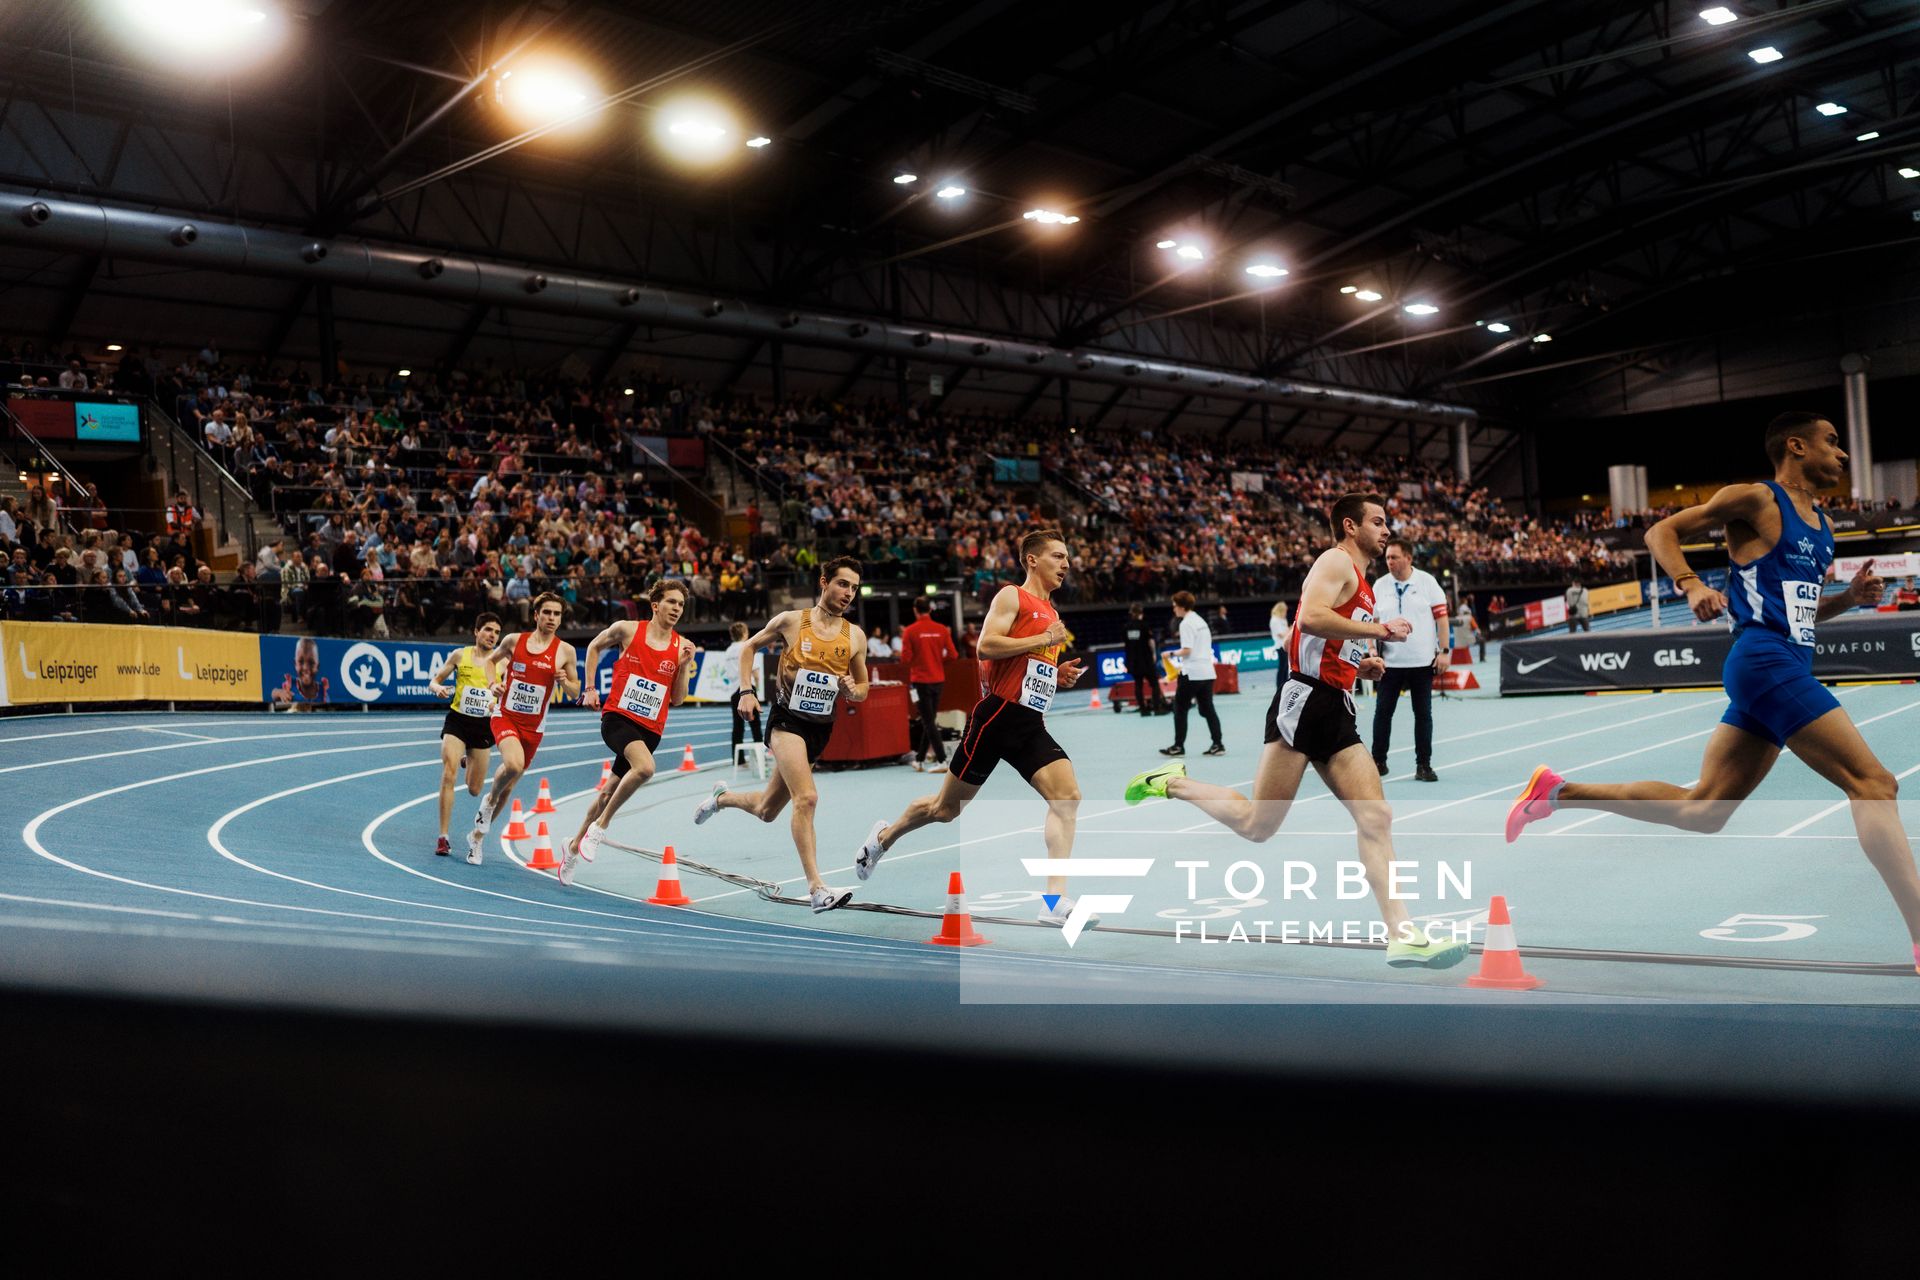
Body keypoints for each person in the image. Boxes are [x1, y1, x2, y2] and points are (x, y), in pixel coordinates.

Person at [1506, 412, 1920, 973]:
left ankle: (1554, 792)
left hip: (1781, 663)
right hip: (1764, 662)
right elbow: (1660, 532)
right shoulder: (1756, 499)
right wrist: (1691, 582)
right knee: (1874, 784)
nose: (1844, 455)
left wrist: (1847, 600)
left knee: (1704, 809)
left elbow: (1797, 611)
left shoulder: (1822, 528)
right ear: (1796, 447)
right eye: (1833, 442)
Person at [1123, 494, 1470, 970]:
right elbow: (1309, 619)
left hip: (1336, 703)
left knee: (1376, 817)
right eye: (1378, 522)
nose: (1387, 530)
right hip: (1305, 701)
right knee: (1256, 826)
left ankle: (1403, 934)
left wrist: (1359, 664)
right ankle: (1173, 783)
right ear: (1351, 526)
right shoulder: (1335, 561)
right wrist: (1380, 632)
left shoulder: (1364, 583)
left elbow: (1328, 639)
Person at [855, 529, 1095, 928]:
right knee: (944, 810)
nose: (1066, 564)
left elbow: (1026, 665)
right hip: (995, 718)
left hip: (1029, 724)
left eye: (1067, 557)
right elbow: (986, 646)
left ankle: (1054, 901)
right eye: (1057, 556)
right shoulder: (1011, 596)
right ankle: (882, 839)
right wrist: (1043, 639)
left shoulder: (1052, 613)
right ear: (1032, 560)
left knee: (1067, 797)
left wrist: (1056, 670)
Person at [693, 558, 870, 913]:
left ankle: (721, 798)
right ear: (824, 583)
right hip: (787, 721)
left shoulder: (855, 636)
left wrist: (853, 689)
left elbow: (863, 687)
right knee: (807, 798)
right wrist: (746, 691)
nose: (848, 593)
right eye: (842, 584)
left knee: (766, 810)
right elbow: (748, 648)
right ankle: (817, 888)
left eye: (853, 588)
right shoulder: (792, 621)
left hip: (822, 728)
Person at [560, 581, 697, 885]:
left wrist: (685, 666)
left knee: (608, 792)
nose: (676, 609)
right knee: (646, 768)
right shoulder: (627, 629)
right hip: (618, 718)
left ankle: (572, 847)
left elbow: (677, 699)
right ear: (655, 605)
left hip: (651, 729)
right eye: (671, 602)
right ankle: (600, 828)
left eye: (681, 605)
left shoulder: (681, 646)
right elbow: (594, 647)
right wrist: (591, 688)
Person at [467, 593, 581, 865]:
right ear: (536, 615)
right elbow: (491, 663)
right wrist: (493, 684)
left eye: (557, 614)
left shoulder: (565, 651)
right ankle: (488, 800)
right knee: (514, 765)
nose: (552, 618)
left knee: (509, 786)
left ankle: (477, 837)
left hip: (534, 727)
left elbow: (575, 689)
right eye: (547, 613)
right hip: (505, 716)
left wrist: (564, 681)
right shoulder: (514, 641)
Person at [1370, 539, 1449, 782]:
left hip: (1422, 662)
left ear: (1409, 558)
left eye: (1394, 557)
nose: (1389, 562)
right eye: (1387, 558)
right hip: (1390, 664)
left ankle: (1423, 765)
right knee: (1383, 713)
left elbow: (1442, 620)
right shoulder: (1380, 585)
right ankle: (1378, 762)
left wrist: (1444, 651)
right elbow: (1372, 622)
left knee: (1423, 714)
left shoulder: (1427, 582)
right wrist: (1372, 649)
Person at [426, 613, 502, 858]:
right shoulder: (461, 655)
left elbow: (509, 692)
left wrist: (498, 702)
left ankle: (467, 759)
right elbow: (435, 681)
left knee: (474, 789)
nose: (492, 635)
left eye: (497, 632)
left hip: (483, 727)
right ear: (476, 632)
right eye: (488, 630)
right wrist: (438, 689)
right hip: (458, 721)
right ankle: (443, 837)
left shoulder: (503, 662)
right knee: (448, 773)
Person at [898, 595, 957, 772]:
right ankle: (920, 759)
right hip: (938, 680)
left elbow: (905, 659)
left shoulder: (909, 631)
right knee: (929, 720)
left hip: (920, 681)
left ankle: (943, 760)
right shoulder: (942, 630)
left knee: (928, 720)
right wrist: (937, 660)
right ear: (930, 610)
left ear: (915, 610)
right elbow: (953, 655)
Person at [1162, 591, 1223, 757]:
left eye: (1174, 605)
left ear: (1181, 606)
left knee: (1180, 708)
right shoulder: (1200, 620)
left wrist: (1170, 654)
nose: (1173, 609)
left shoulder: (1186, 624)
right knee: (1207, 709)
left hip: (1192, 673)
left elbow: (1187, 650)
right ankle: (1218, 744)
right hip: (1207, 672)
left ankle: (1178, 746)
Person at [720, 621, 763, 756]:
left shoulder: (728, 651)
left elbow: (726, 674)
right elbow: (755, 671)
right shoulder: (746, 647)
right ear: (745, 633)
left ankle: (738, 760)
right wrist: (758, 688)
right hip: (748, 689)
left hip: (734, 691)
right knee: (755, 725)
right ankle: (760, 756)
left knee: (737, 726)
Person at [1122, 602, 1169, 715]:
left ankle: (1143, 710)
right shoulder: (1144, 625)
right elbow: (1151, 641)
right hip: (1146, 660)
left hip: (1133, 661)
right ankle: (1157, 708)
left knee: (1138, 685)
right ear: (1140, 613)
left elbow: (1126, 645)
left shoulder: (1126, 627)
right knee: (1154, 684)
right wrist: (1153, 654)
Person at [1269, 601, 1292, 687]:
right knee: (1282, 667)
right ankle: (1279, 685)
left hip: (1285, 645)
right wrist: (1289, 631)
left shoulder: (1283, 620)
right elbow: (1280, 634)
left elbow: (1285, 633)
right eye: (1285, 610)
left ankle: (1284, 684)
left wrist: (1289, 630)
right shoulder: (1274, 620)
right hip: (1280, 646)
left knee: (1286, 667)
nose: (1286, 612)